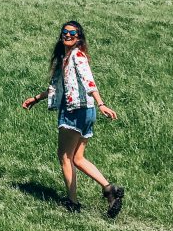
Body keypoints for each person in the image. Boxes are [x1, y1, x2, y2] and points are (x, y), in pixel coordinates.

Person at [22, 20, 125, 217]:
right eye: (64, 32)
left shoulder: (77, 56)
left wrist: (101, 103)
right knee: (77, 157)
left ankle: (72, 202)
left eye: (72, 33)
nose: (67, 35)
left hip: (75, 111)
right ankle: (109, 189)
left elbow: (89, 80)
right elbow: (56, 87)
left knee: (64, 156)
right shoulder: (65, 58)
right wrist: (36, 99)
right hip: (87, 111)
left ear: (79, 38)